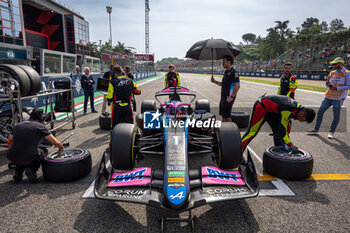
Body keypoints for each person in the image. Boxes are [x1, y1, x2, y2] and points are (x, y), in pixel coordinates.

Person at [242, 95, 315, 152]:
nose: (302, 121)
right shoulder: (289, 109)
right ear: (302, 114)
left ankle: (278, 153)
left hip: (272, 111)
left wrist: (287, 141)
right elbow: (283, 129)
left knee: (278, 133)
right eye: (303, 120)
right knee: (252, 132)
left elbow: (288, 125)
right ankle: (237, 152)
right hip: (261, 106)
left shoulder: (298, 109)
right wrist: (290, 144)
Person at [7, 109, 64, 182]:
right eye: (44, 119)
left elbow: (9, 141)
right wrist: (61, 147)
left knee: (21, 152)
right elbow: (56, 143)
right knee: (43, 151)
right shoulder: (40, 127)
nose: (44, 122)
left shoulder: (18, 125)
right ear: (40, 118)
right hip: (28, 158)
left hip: (12, 157)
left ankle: (18, 172)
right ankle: (32, 170)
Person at [308, 57, 350, 139]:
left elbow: (349, 86)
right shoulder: (332, 73)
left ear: (340, 64)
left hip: (338, 98)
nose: (333, 65)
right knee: (320, 112)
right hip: (328, 96)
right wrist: (327, 84)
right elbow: (327, 84)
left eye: (335, 64)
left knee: (336, 116)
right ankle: (316, 129)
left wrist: (337, 88)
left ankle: (331, 132)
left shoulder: (347, 73)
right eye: (333, 64)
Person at [106, 65, 141, 129]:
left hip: (117, 107)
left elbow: (110, 98)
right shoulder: (130, 80)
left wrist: (108, 99)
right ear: (121, 71)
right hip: (127, 106)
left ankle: (114, 138)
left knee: (114, 126)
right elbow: (138, 92)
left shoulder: (112, 82)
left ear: (114, 73)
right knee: (130, 126)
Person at [211, 55, 240, 122]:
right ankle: (224, 131)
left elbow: (237, 86)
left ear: (229, 62)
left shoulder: (234, 73)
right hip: (223, 97)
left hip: (229, 97)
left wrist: (232, 96)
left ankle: (231, 131)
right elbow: (223, 84)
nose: (222, 63)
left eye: (224, 61)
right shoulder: (226, 72)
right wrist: (215, 81)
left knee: (227, 116)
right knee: (223, 116)